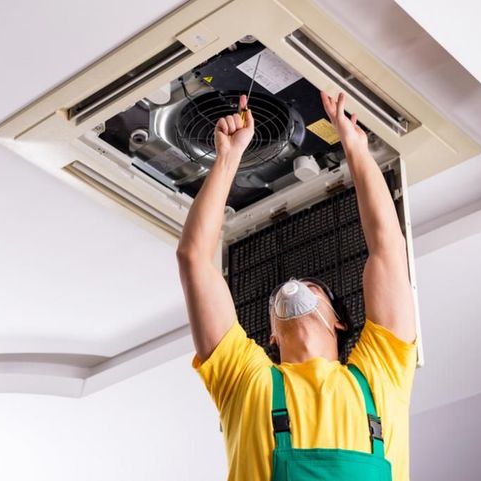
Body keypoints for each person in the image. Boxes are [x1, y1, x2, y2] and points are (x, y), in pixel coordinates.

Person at [175, 92, 418, 481]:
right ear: (271, 336)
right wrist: (228, 157)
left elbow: (388, 251)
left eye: (312, 286)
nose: (294, 288)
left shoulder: (379, 374)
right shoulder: (247, 379)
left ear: (340, 321)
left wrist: (358, 151)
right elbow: (195, 259)